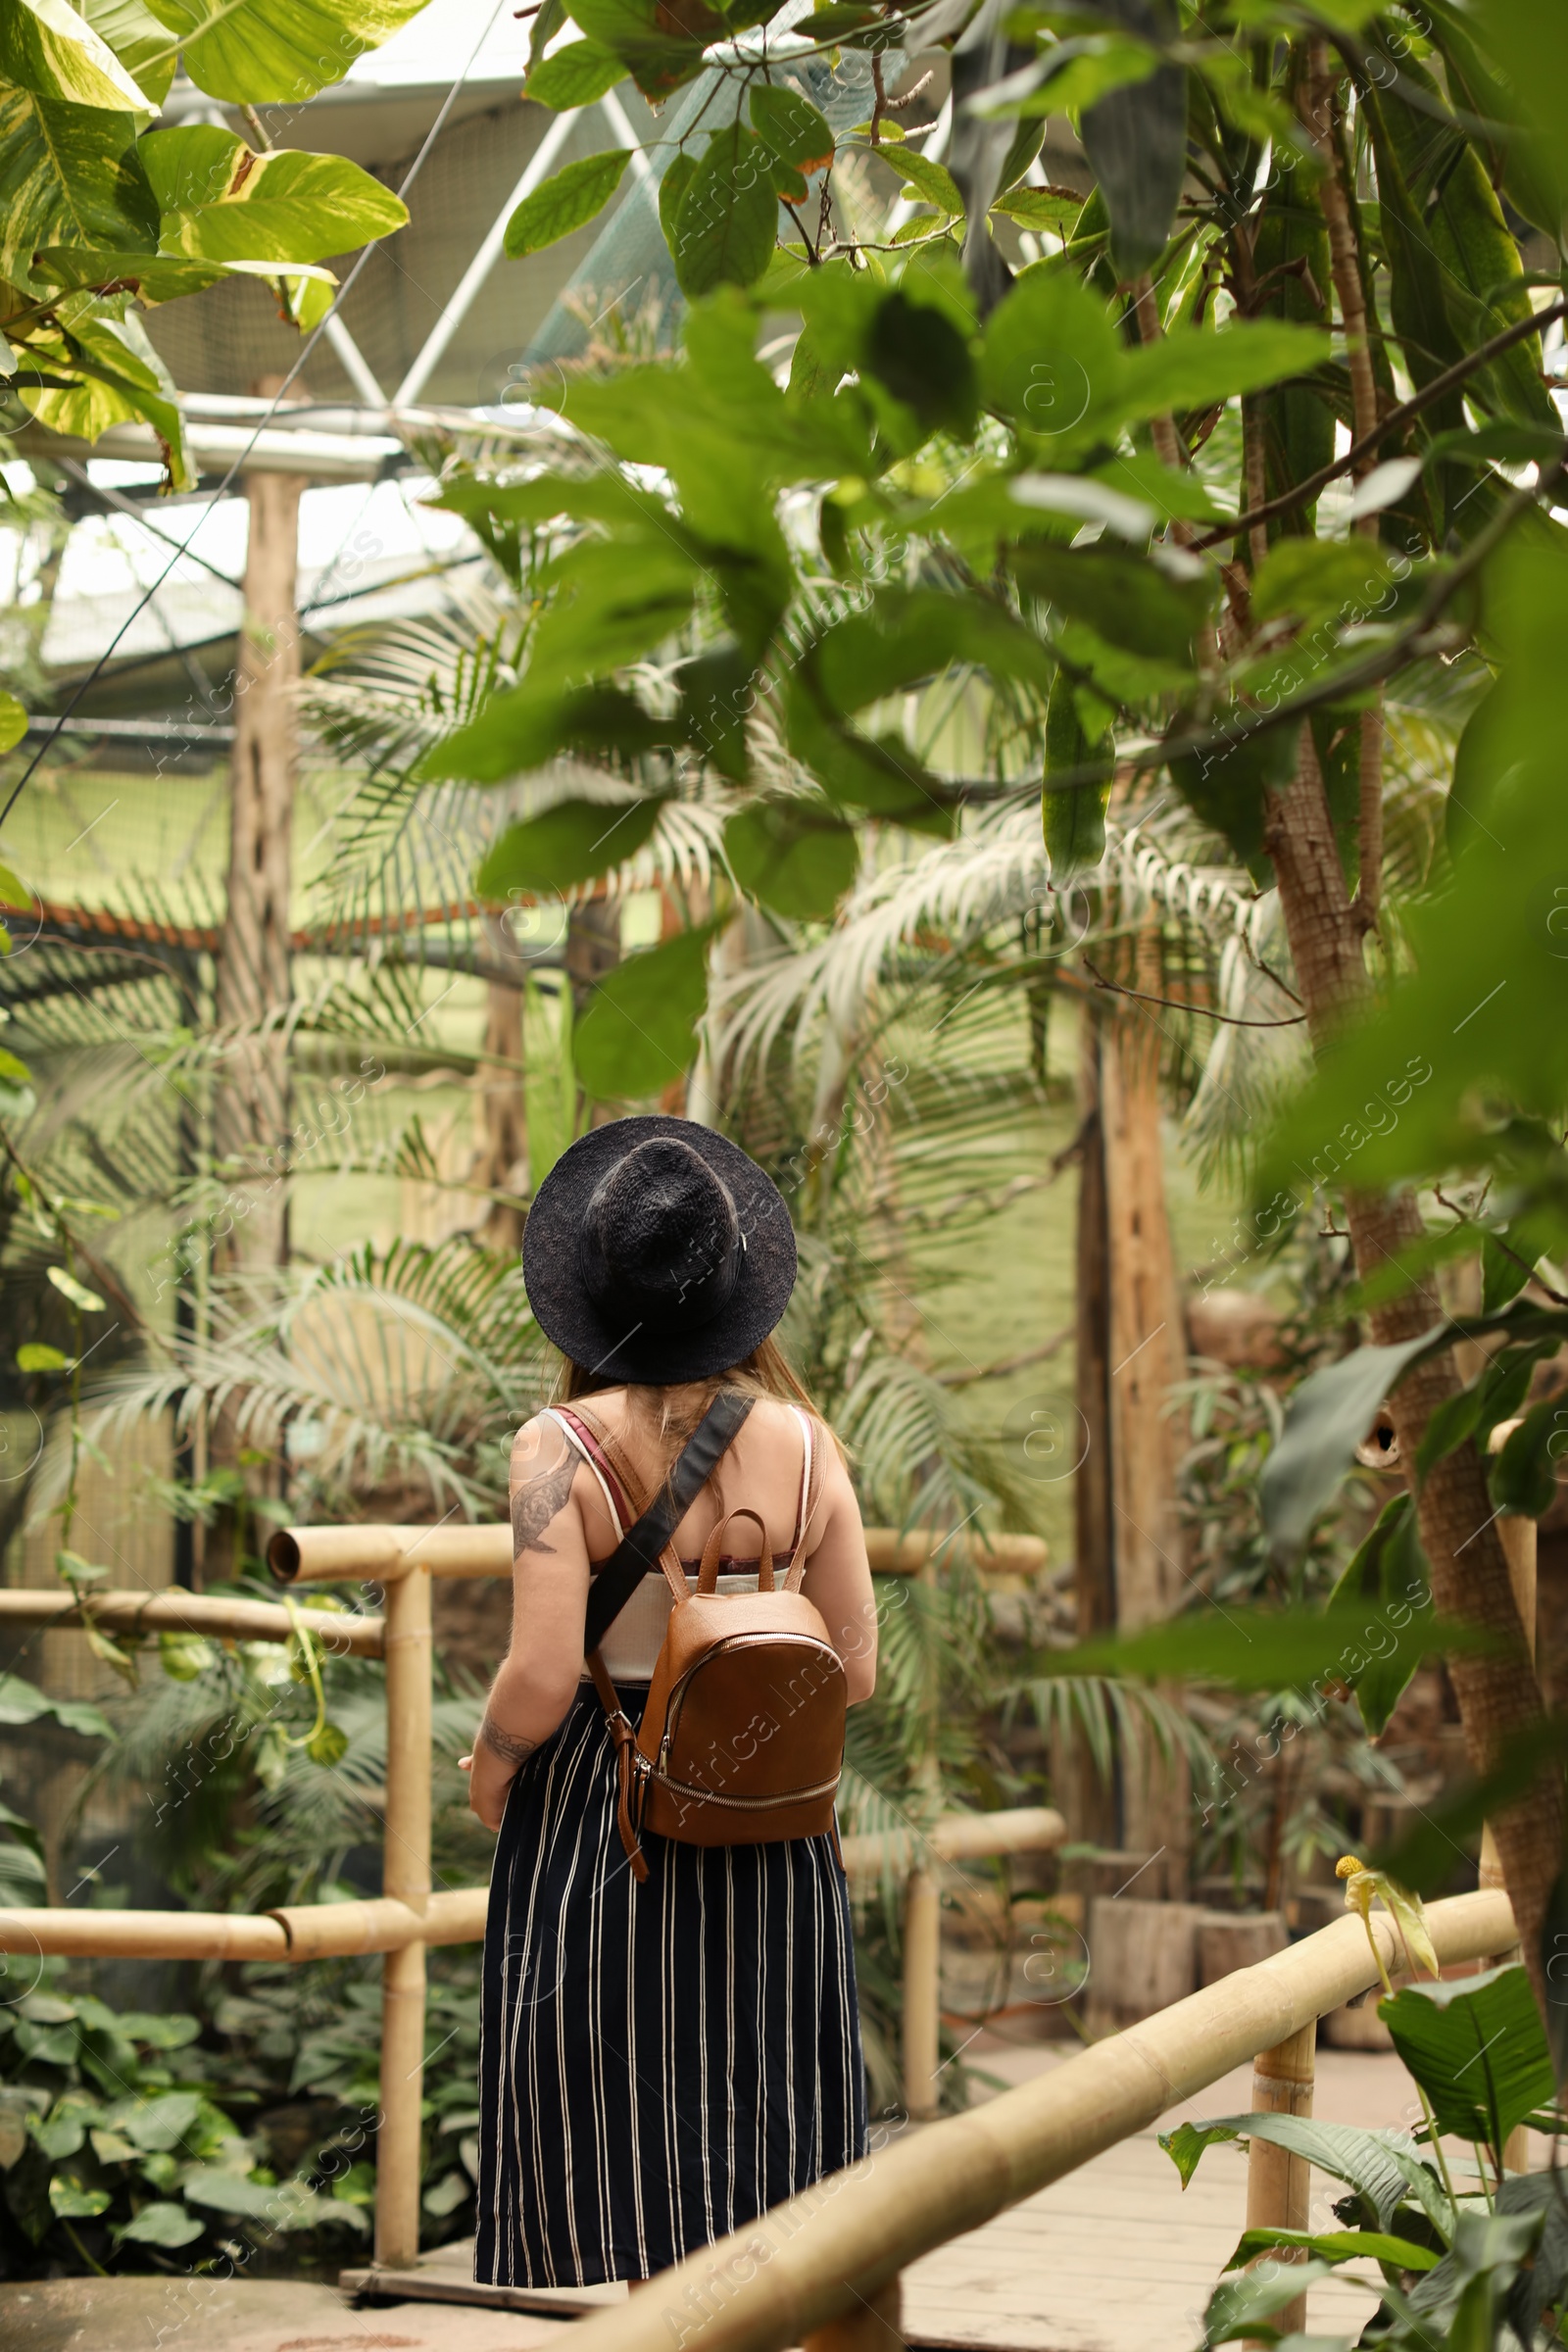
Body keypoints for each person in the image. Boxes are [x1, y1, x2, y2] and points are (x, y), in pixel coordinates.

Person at [461, 1116, 876, 2290]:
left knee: (615, 2117)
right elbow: (854, 1667)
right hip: (767, 1812)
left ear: (594, 1293)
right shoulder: (807, 1444)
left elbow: (543, 1674)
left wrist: (490, 1769)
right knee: (765, 2100)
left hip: (610, 1801)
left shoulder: (559, 1448)